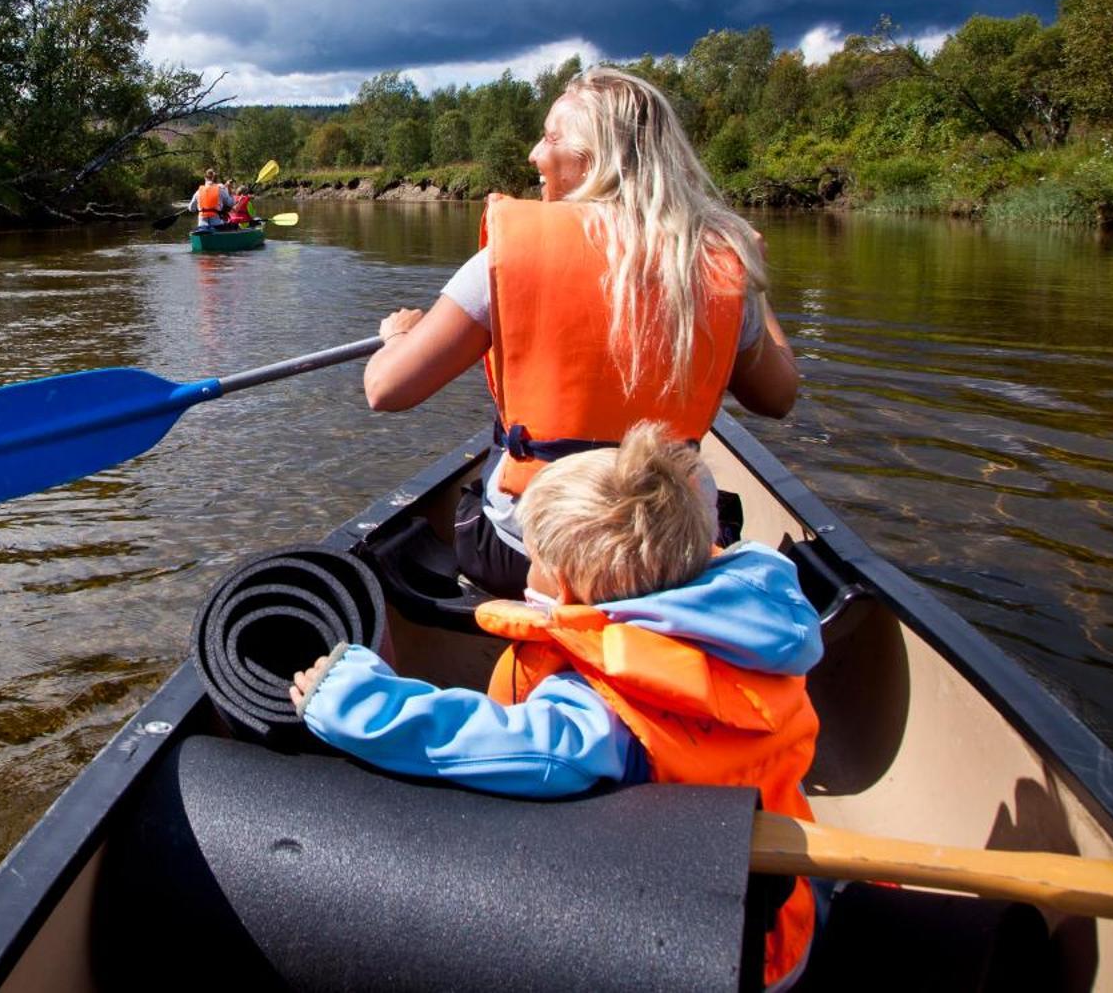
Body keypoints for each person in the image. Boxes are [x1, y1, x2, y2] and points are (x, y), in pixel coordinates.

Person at [290, 423, 823, 989]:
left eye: (536, 561)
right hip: (786, 912)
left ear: (563, 588)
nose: (527, 577)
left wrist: (355, 701)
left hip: (717, 952)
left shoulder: (603, 701)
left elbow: (518, 747)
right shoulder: (747, 633)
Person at [363, 67, 799, 597]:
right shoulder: (712, 261)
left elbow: (386, 390)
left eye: (550, 138)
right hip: (671, 552)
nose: (534, 155)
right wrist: (750, 278)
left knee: (478, 509)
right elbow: (777, 397)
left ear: (594, 157)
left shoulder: (508, 258)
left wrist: (398, 338)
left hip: (530, 552)